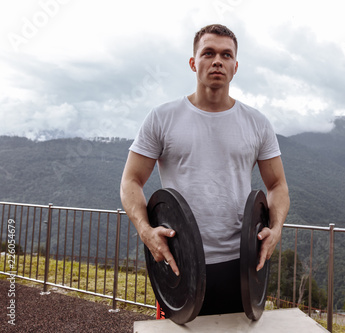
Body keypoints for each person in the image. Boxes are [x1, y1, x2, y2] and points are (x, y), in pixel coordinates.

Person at [120, 24, 289, 316]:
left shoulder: (257, 123)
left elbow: (277, 186)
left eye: (226, 55)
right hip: (179, 262)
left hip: (242, 263)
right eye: (208, 53)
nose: (217, 61)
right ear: (193, 62)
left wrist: (276, 229)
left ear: (235, 66)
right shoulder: (161, 118)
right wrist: (146, 231)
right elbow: (131, 181)